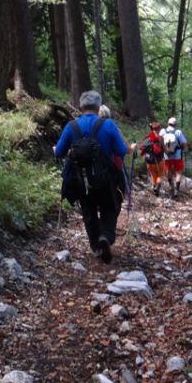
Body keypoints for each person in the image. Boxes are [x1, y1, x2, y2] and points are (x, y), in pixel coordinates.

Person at [54, 90, 128, 263]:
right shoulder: (108, 125)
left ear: (80, 106)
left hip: (80, 180)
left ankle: (96, 246)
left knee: (89, 212)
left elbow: (59, 152)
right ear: (98, 106)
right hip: (106, 179)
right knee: (109, 209)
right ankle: (106, 237)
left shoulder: (71, 126)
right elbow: (121, 150)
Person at [135, 120, 166, 195]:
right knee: (161, 175)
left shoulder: (147, 137)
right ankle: (157, 186)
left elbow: (141, 147)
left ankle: (154, 186)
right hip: (159, 160)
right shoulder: (160, 138)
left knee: (153, 175)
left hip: (148, 160)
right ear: (159, 129)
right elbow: (164, 149)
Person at [160, 116, 187, 198]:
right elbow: (184, 143)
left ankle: (171, 186)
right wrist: (182, 147)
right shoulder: (178, 132)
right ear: (175, 124)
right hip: (177, 155)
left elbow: (159, 141)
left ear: (168, 123)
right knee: (178, 172)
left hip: (167, 155)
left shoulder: (163, 131)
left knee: (168, 171)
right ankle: (177, 190)